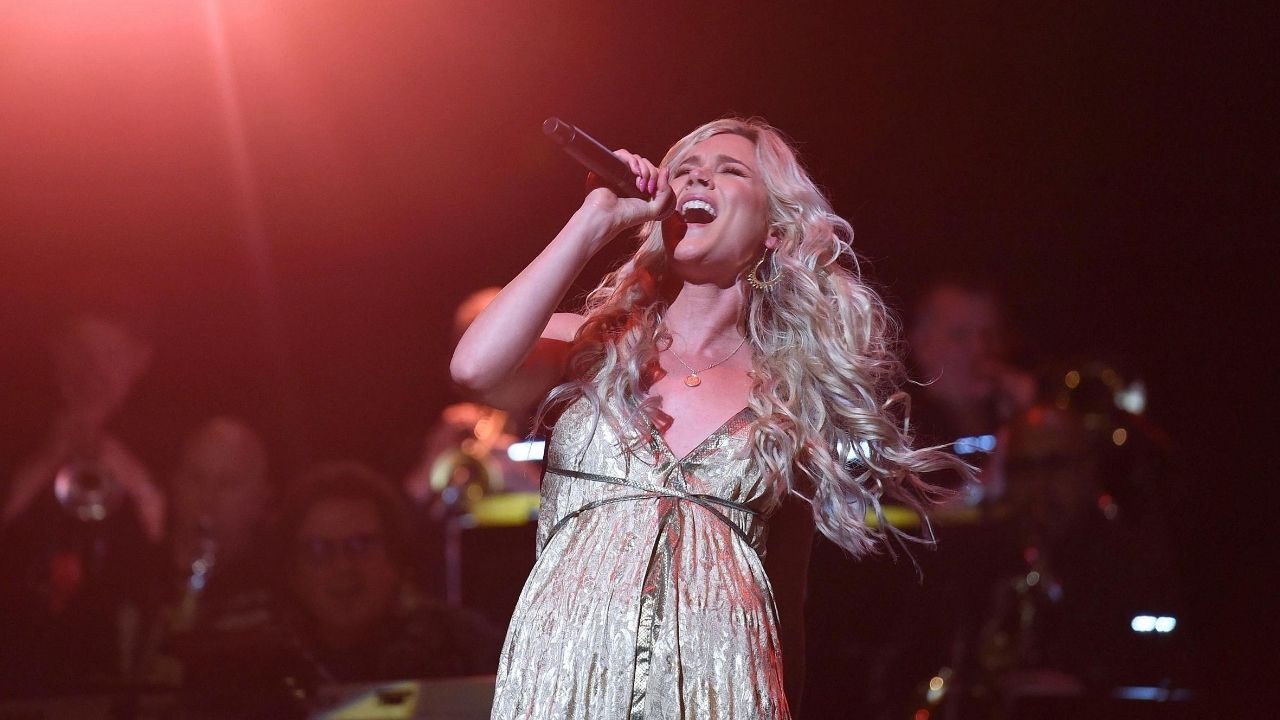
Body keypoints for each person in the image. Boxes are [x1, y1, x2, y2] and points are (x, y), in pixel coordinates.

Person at [451, 117, 969, 719]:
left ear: (775, 230)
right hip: (568, 678)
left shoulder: (790, 395)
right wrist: (594, 219)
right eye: (687, 168)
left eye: (731, 170)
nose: (699, 174)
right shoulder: (588, 346)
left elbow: (785, 603)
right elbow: (475, 370)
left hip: (719, 688)